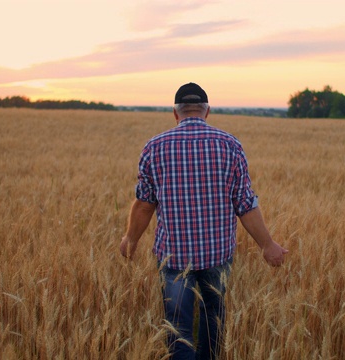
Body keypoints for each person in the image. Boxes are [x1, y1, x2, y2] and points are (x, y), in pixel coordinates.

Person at [119, 82, 288, 359]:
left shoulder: (154, 147)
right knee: (213, 320)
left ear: (175, 113)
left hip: (173, 259)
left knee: (179, 330)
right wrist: (267, 245)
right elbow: (245, 204)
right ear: (207, 111)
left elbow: (144, 205)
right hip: (217, 257)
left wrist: (130, 240)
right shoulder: (230, 145)